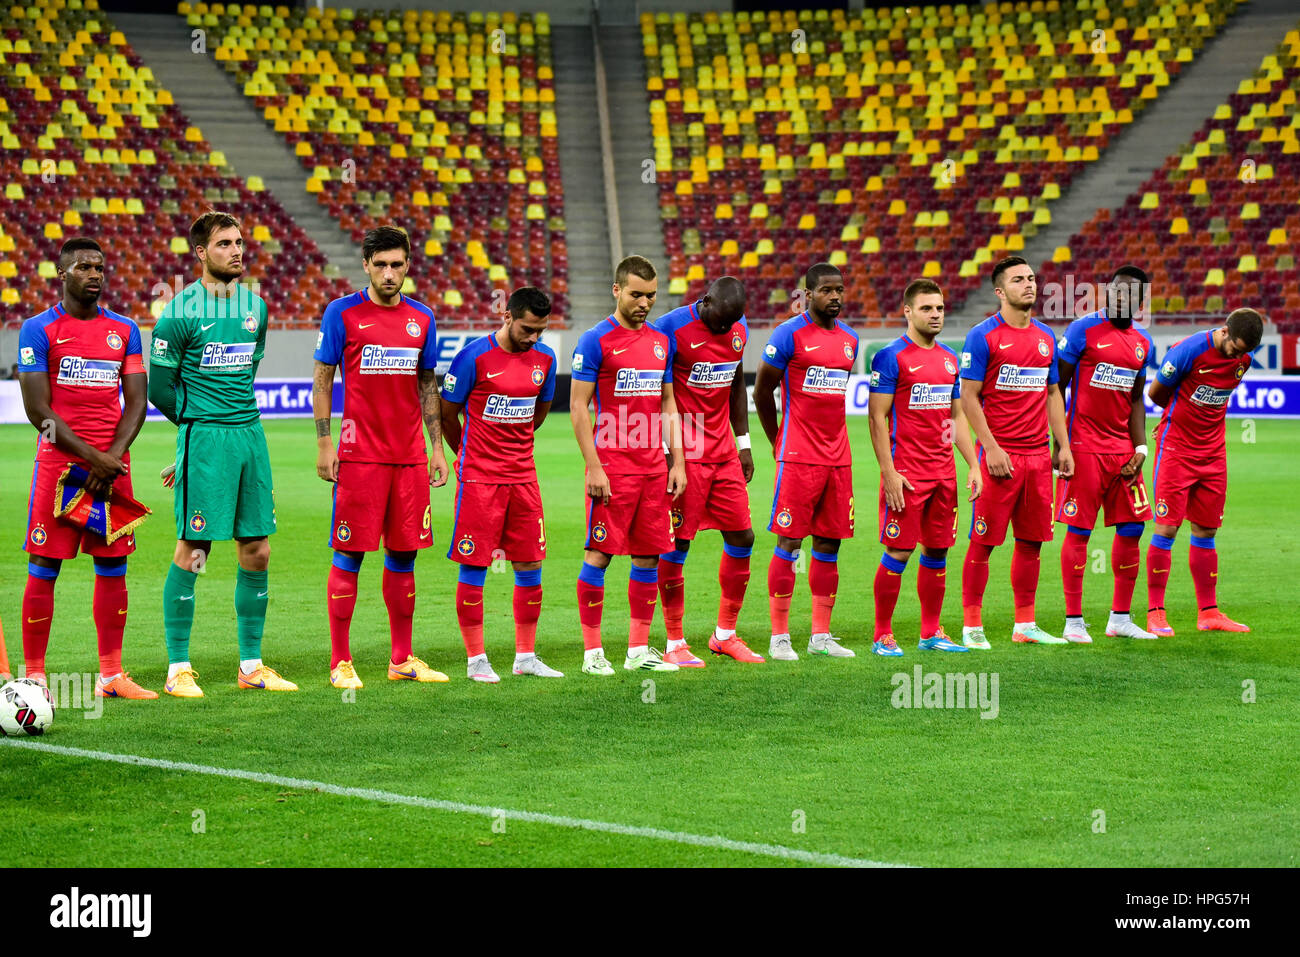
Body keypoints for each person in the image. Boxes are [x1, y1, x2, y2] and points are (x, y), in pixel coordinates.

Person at [149, 210, 295, 697]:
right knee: (195, 551)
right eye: (224, 244)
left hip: (250, 436)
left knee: (257, 549)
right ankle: (177, 669)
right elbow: (160, 389)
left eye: (239, 242)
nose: (236, 251)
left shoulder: (257, 306)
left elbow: (247, 370)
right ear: (200, 254)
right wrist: (193, 436)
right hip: (206, 438)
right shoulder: (179, 311)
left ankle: (251, 665)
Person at [16, 237, 155, 698]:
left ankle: (111, 676)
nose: (95, 274)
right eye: (83, 267)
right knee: (44, 563)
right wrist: (93, 457)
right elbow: (39, 412)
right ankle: (34, 675)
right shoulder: (38, 329)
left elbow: (136, 401)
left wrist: (110, 458)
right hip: (59, 465)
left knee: (114, 565)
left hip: (113, 467)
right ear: (62, 273)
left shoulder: (125, 329)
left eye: (100, 267)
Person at [313, 225, 450, 688]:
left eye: (398, 265)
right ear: (366, 265)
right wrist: (324, 442)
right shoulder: (342, 313)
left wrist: (436, 449)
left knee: (404, 556)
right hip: (360, 456)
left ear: (408, 265)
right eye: (382, 265)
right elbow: (322, 379)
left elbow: (427, 383)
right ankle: (340, 661)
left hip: (410, 455)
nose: (390, 274)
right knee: (350, 554)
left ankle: (401, 658)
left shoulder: (423, 318)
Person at [569, 255, 687, 675]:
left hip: (653, 467)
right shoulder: (595, 340)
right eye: (636, 294)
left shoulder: (661, 341)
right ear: (617, 290)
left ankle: (638, 651)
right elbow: (578, 407)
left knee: (648, 558)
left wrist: (678, 461)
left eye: (651, 295)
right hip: (613, 466)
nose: (644, 302)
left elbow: (668, 402)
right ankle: (592, 654)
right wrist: (594, 466)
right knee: (599, 555)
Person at [441, 286, 563, 682]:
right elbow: (447, 414)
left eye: (540, 331)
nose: (533, 338)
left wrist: (514, 445)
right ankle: (476, 660)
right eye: (527, 328)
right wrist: (469, 454)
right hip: (479, 479)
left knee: (530, 564)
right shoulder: (473, 357)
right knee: (475, 564)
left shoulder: (545, 359)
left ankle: (525, 657)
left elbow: (538, 413)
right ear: (507, 316)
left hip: (524, 476)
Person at [958, 256, 1074, 648]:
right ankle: (971, 625)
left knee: (1031, 541)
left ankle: (1025, 624)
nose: (1029, 284)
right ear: (999, 291)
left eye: (1031, 278)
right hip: (999, 458)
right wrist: (989, 448)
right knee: (985, 541)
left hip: (1039, 458)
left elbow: (1054, 393)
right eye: (1018, 280)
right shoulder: (983, 335)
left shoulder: (1044, 337)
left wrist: (1064, 446)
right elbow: (968, 397)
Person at [650, 276, 764, 666]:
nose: (724, 329)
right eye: (718, 321)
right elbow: (656, 394)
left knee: (744, 537)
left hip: (723, 452)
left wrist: (744, 443)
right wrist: (667, 453)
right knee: (677, 544)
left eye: (731, 322)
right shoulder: (669, 329)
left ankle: (725, 635)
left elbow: (735, 382)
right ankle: (674, 642)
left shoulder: (737, 326)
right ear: (705, 301)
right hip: (685, 454)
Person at [867, 279, 981, 656]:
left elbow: (956, 417)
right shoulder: (891, 356)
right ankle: (882, 634)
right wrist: (889, 473)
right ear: (908, 312)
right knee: (899, 552)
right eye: (927, 308)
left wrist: (973, 464)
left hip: (944, 475)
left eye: (940, 308)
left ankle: (931, 632)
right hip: (908, 477)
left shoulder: (950, 359)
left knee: (938, 552)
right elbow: (877, 418)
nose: (935, 315)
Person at [753, 263, 859, 660]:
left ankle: (821, 636)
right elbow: (762, 392)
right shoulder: (788, 334)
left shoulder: (850, 339)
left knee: (830, 542)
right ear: (808, 293)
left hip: (839, 458)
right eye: (827, 290)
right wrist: (776, 438)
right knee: (790, 540)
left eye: (839, 290)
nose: (835, 297)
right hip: (799, 455)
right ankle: (779, 636)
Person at [1054, 266, 1158, 642]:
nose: (1120, 298)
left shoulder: (1143, 343)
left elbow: (1135, 399)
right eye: (1116, 291)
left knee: (1133, 528)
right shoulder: (1082, 330)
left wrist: (1141, 447)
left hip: (1123, 452)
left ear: (1140, 301)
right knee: (1079, 531)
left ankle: (1120, 618)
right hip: (1083, 447)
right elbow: (1057, 388)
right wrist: (1060, 444)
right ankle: (1074, 621)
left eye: (1130, 294)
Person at [1145, 308, 1263, 635]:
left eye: (1245, 352)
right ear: (1224, 331)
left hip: (1213, 455)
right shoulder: (1189, 350)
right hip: (1177, 450)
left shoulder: (1243, 361)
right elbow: (1156, 393)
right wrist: (1172, 420)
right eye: (1235, 348)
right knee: (1167, 528)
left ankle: (1208, 612)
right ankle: (1155, 612)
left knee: (1206, 531)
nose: (1239, 355)